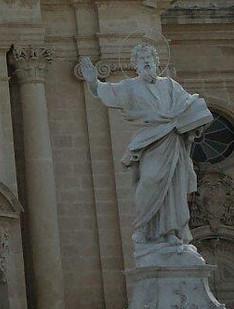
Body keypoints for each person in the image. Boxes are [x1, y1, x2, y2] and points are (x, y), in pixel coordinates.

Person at [80, 43, 212, 258]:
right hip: (151, 140)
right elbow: (108, 92)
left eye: (150, 57)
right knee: (150, 181)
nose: (147, 61)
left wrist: (196, 120)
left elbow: (191, 105)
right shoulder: (130, 87)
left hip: (173, 140)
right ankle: (143, 226)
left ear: (157, 62)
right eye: (142, 59)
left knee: (173, 189)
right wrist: (93, 81)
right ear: (135, 65)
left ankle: (170, 232)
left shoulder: (170, 85)